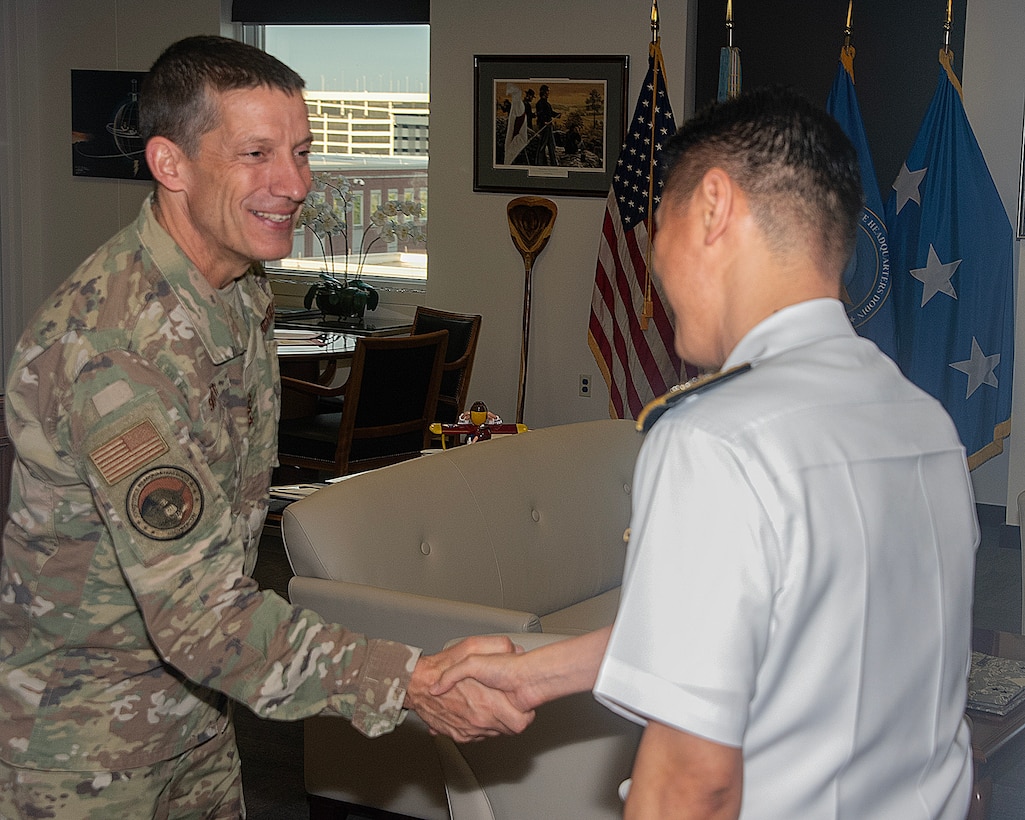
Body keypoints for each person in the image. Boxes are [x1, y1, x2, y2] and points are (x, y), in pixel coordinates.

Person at [0, 35, 530, 818]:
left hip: (200, 713)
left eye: (302, 151)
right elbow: (203, 617)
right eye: (256, 154)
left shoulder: (242, 286)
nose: (295, 183)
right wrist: (407, 681)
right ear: (170, 164)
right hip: (87, 747)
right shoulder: (115, 352)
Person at [434, 86, 978, 819]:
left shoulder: (715, 438)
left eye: (658, 223)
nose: (653, 260)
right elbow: (786, 627)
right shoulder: (923, 423)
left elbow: (694, 783)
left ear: (713, 207)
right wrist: (535, 674)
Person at [535, 84, 560, 165]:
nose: (549, 93)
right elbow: (540, 114)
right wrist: (543, 122)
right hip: (544, 127)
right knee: (542, 146)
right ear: (544, 92)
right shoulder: (539, 103)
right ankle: (539, 163)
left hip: (549, 127)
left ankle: (554, 163)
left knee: (552, 146)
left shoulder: (547, 104)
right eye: (548, 91)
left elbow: (550, 113)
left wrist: (557, 114)